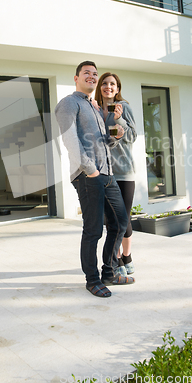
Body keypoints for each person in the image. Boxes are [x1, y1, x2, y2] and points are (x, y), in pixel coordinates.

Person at [55, 61, 135, 298]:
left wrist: (116, 135)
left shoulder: (96, 106)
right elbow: (70, 140)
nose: (92, 76)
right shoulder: (69, 103)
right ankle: (92, 280)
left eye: (94, 74)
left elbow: (104, 142)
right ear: (76, 78)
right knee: (92, 230)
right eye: (86, 73)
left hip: (106, 173)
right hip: (87, 175)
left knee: (120, 223)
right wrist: (90, 170)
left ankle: (109, 271)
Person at [95, 73, 137, 276]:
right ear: (99, 87)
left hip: (124, 172)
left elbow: (132, 137)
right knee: (112, 220)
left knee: (123, 218)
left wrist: (119, 118)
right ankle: (117, 258)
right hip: (104, 172)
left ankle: (126, 256)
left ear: (117, 88)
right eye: (104, 83)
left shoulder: (123, 107)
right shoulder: (94, 109)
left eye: (112, 84)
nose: (108, 87)